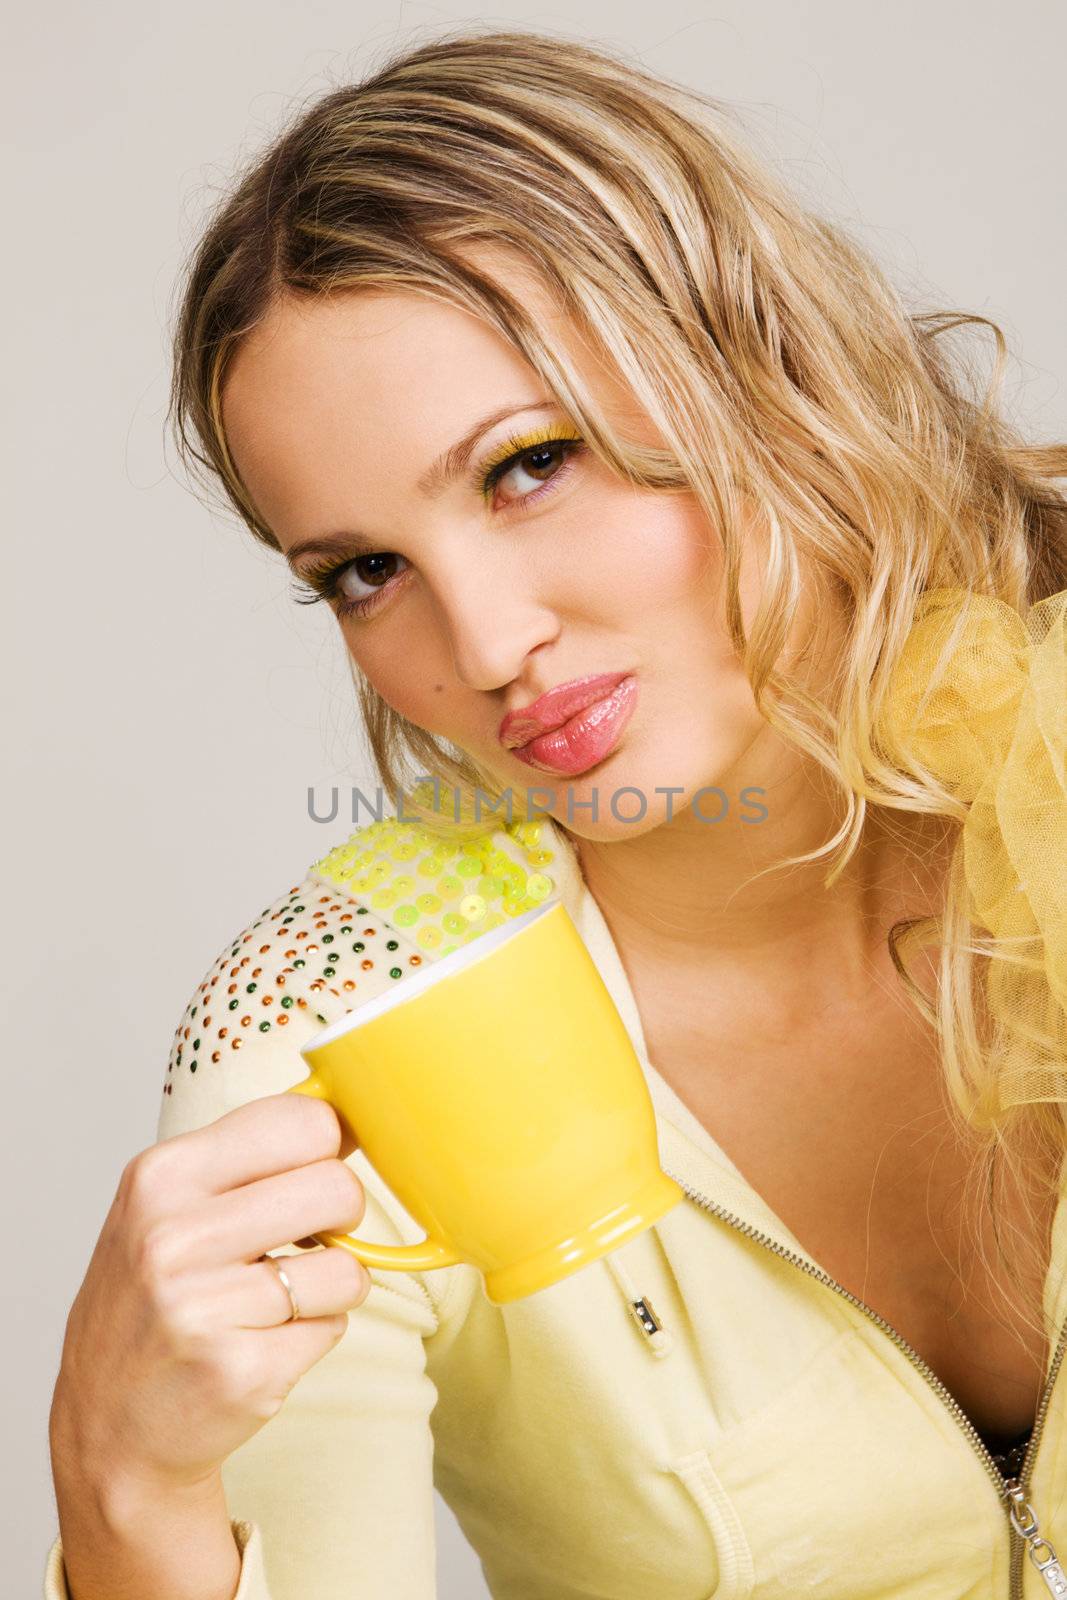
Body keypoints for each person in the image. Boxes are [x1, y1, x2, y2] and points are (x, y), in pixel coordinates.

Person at [44, 26, 1067, 1600]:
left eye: (529, 467)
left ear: (759, 366)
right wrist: (128, 1500)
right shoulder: (342, 1046)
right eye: (363, 572)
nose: (486, 645)